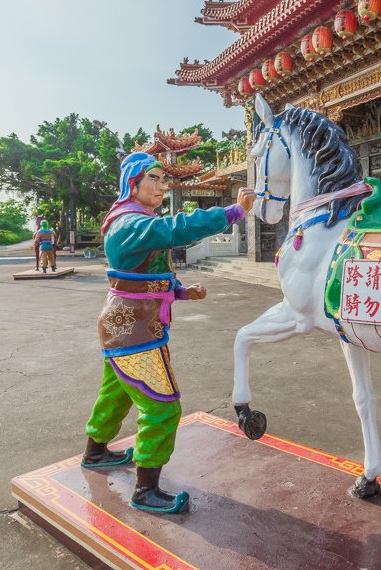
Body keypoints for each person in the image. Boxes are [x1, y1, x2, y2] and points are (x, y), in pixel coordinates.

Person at [81, 151, 256, 514]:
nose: (162, 186)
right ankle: (146, 490)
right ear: (133, 184)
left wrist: (180, 291)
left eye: (163, 179)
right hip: (133, 330)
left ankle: (95, 452)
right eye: (154, 179)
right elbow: (175, 229)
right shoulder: (129, 224)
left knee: (117, 394)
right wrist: (231, 213)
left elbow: (146, 273)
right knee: (162, 406)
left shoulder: (135, 220)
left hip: (129, 326)